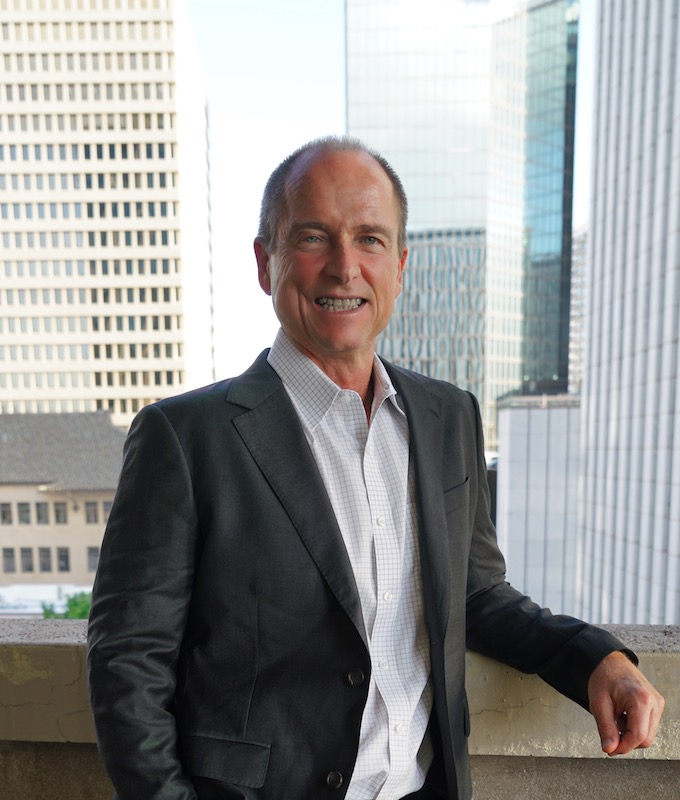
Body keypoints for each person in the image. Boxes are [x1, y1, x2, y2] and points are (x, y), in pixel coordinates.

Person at [87, 136, 664, 800]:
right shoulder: (184, 439)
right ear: (263, 261)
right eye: (312, 238)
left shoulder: (449, 417)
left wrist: (598, 662)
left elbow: (476, 597)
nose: (344, 267)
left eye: (370, 240)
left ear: (400, 265)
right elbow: (128, 666)